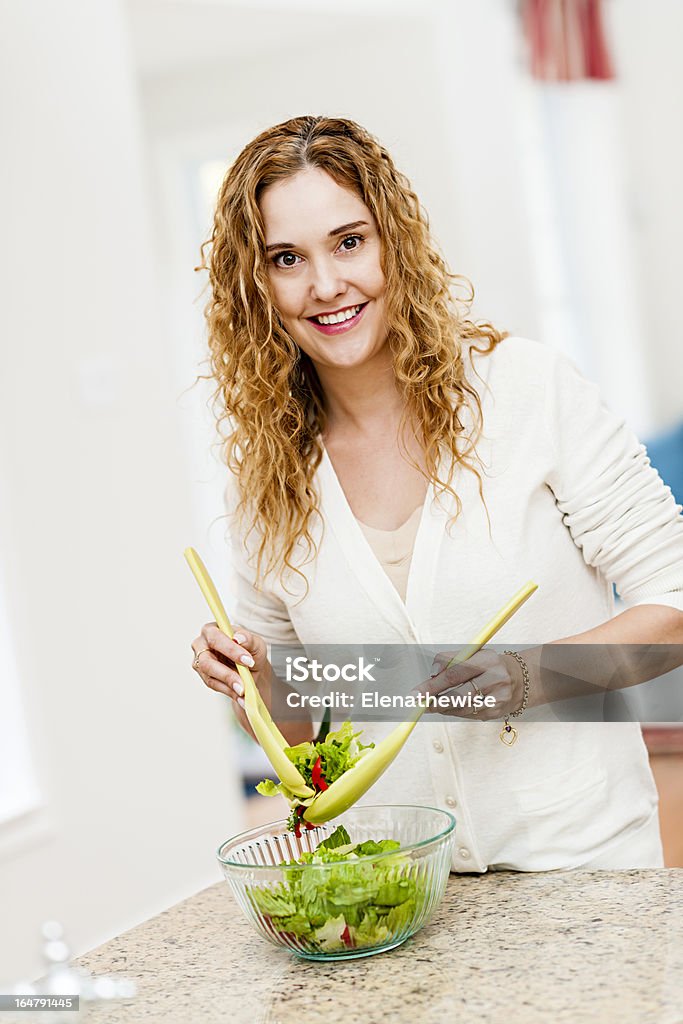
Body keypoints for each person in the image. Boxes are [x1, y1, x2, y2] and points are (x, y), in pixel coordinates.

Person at [190, 115, 683, 872]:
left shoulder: (523, 390)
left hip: (584, 867)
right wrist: (253, 682)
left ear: (394, 241)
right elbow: (304, 736)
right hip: (399, 887)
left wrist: (526, 676)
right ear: (255, 285)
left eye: (349, 241)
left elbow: (672, 601)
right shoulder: (268, 475)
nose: (325, 285)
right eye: (287, 258)